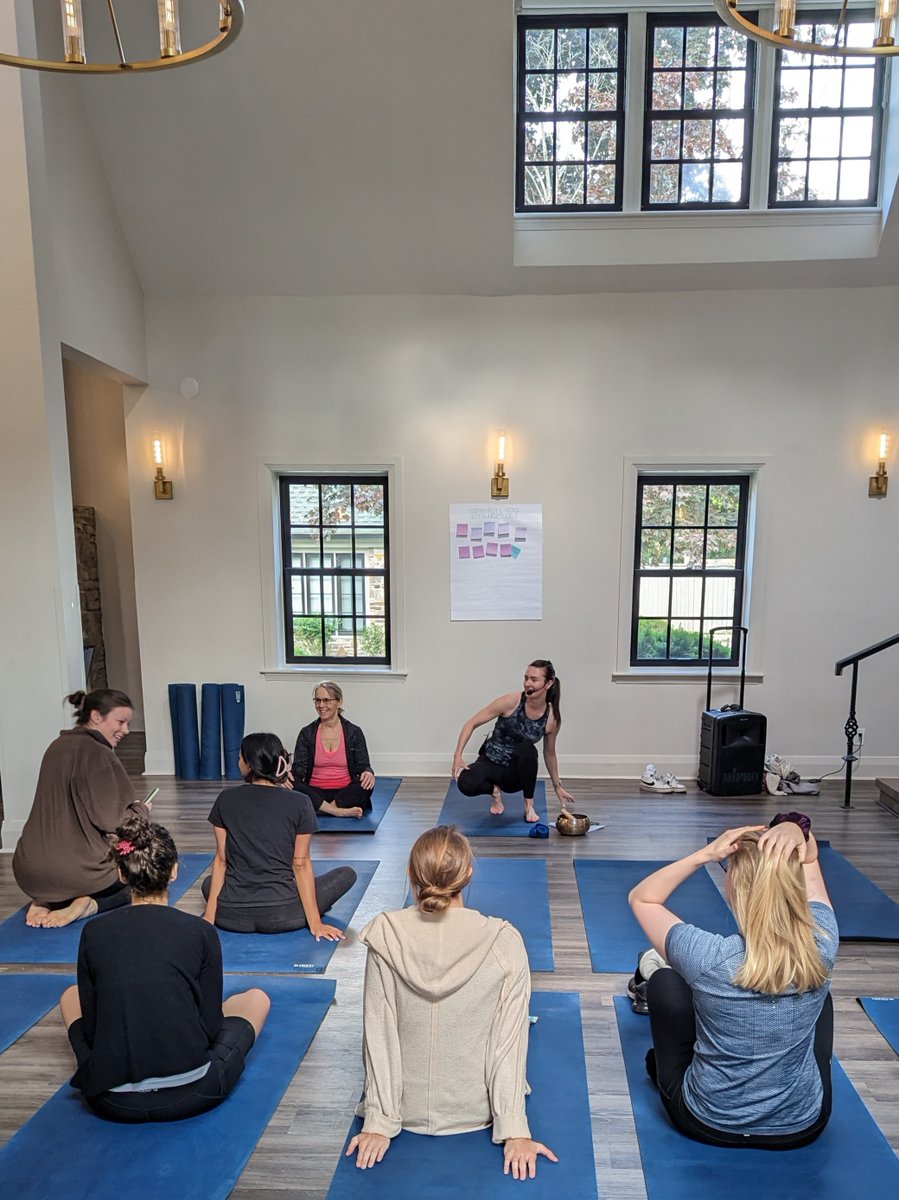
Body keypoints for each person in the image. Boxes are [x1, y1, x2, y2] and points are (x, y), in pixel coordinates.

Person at [347, 825, 558, 1179]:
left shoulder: (386, 935)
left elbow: (378, 1031)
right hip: (476, 1109)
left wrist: (381, 1119)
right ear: (468, 873)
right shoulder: (504, 941)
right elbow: (509, 1041)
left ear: (412, 874)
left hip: (403, 1107)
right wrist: (514, 1128)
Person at [627, 816, 837, 1149]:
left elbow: (642, 898)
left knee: (665, 980)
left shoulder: (709, 956)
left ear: (736, 887)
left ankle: (668, 1069)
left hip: (708, 1122)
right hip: (801, 1127)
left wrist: (705, 855)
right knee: (822, 999)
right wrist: (797, 827)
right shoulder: (823, 942)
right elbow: (809, 858)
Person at [60, 818, 269, 1122]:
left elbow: (92, 1028)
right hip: (194, 1092)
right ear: (173, 871)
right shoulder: (200, 932)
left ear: (121, 874)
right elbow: (211, 1027)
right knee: (256, 999)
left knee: (69, 996)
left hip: (110, 1100)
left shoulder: (94, 932)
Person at [13, 689, 150, 928]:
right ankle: (88, 905)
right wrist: (142, 809)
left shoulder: (57, 746)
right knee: (147, 877)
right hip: (78, 873)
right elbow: (113, 821)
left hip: (29, 871)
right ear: (96, 716)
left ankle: (47, 900)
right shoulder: (97, 753)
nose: (126, 731)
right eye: (120, 722)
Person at [202, 732, 356, 937]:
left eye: (240, 757)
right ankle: (306, 907)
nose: (238, 761)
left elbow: (222, 860)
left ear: (249, 764)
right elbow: (300, 864)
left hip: (231, 915)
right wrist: (316, 924)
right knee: (346, 874)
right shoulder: (300, 802)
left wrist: (210, 917)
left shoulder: (225, 799)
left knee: (208, 883)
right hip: (284, 915)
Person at [451, 660, 575, 823]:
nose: (527, 683)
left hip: (514, 776)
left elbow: (550, 754)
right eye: (526, 678)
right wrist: (457, 757)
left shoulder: (551, 719)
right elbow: (471, 723)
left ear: (548, 683)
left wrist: (557, 787)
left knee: (527, 748)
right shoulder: (510, 701)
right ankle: (494, 792)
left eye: (534, 680)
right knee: (464, 783)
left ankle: (528, 805)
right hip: (489, 762)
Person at [292, 681, 376, 819]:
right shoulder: (307, 733)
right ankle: (338, 811)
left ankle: (322, 809)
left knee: (367, 783)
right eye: (317, 700)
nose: (321, 705)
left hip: (344, 792)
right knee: (291, 783)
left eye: (326, 700)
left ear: (339, 702)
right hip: (315, 792)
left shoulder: (354, 732)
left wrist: (368, 772)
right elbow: (299, 769)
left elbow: (363, 766)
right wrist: (289, 777)